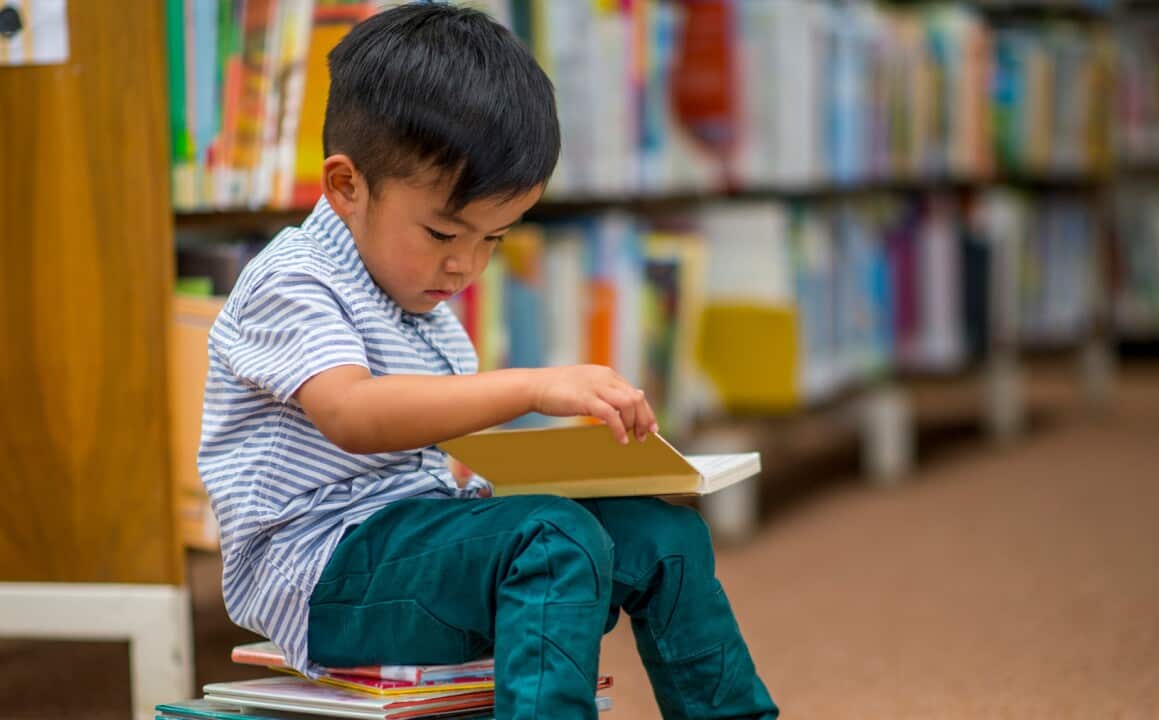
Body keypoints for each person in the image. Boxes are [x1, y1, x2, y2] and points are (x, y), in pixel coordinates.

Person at [199, 5, 777, 719]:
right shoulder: (291, 279)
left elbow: (442, 475)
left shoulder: (429, 315)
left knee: (664, 535)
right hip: (319, 576)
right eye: (444, 231)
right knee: (552, 539)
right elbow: (351, 414)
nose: (465, 264)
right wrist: (532, 386)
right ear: (346, 186)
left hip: (415, 543)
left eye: (494, 239)